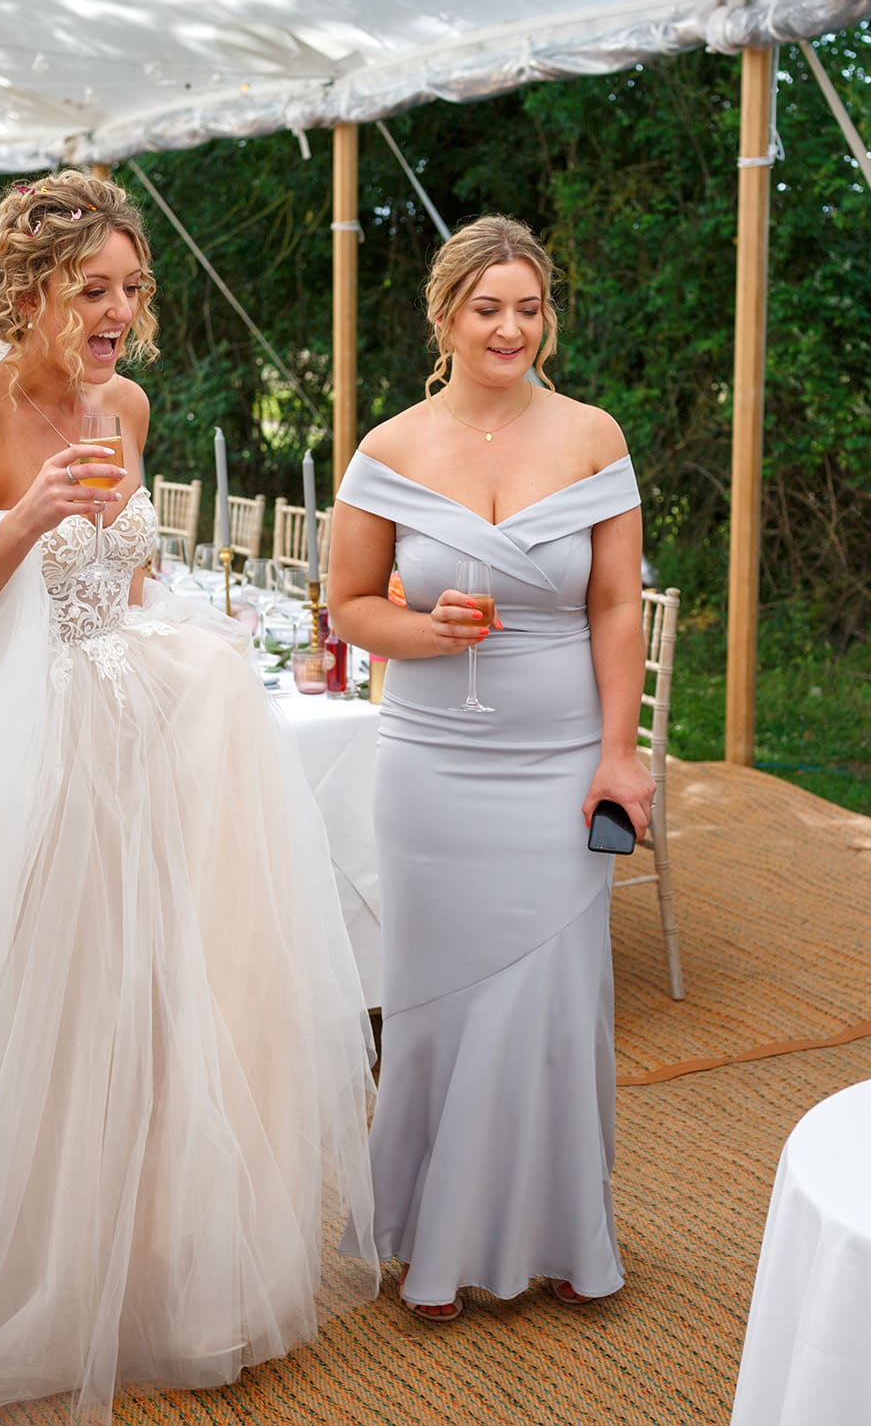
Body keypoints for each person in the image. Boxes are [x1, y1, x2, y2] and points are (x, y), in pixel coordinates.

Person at [0, 171, 378, 1423]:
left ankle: (147, 1275)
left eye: (131, 289)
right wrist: (24, 520)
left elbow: (130, 590)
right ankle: (13, 1287)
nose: (116, 312)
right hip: (18, 763)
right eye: (90, 288)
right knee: (34, 1013)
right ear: (27, 289)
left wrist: (176, 667)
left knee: (153, 1008)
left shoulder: (129, 408)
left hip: (141, 754)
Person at [327, 215, 653, 1321]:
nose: (510, 327)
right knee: (433, 1005)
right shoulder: (391, 449)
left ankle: (561, 1230)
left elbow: (615, 606)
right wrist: (428, 634)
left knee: (557, 1001)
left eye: (528, 307)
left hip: (562, 762)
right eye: (488, 308)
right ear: (446, 315)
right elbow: (352, 606)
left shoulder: (595, 437)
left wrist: (622, 753)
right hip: (432, 773)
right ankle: (427, 1236)